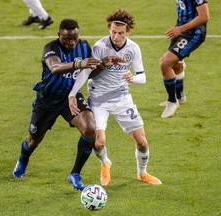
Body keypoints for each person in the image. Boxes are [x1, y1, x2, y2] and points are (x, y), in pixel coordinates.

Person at [68, 9, 162, 186]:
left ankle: (142, 173)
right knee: (98, 142)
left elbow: (143, 76)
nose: (116, 36)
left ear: (127, 32)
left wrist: (133, 78)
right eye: (113, 32)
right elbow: (88, 73)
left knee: (142, 142)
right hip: (99, 100)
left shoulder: (133, 48)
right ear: (109, 29)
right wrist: (72, 93)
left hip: (121, 98)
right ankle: (105, 163)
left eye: (120, 33)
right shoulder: (100, 47)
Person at [12, 19, 104, 191]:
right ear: (59, 36)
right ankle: (23, 159)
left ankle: (75, 173)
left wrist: (104, 64)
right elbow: (54, 67)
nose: (70, 42)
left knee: (90, 127)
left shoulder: (84, 47)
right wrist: (78, 64)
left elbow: (89, 73)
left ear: (79, 36)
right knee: (34, 140)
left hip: (71, 97)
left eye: (74, 39)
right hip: (47, 100)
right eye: (66, 39)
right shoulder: (51, 48)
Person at [159, 0, 209, 118]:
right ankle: (180, 97)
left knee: (165, 63)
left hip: (193, 34)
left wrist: (181, 29)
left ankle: (172, 101)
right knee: (175, 62)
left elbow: (205, 16)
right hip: (181, 28)